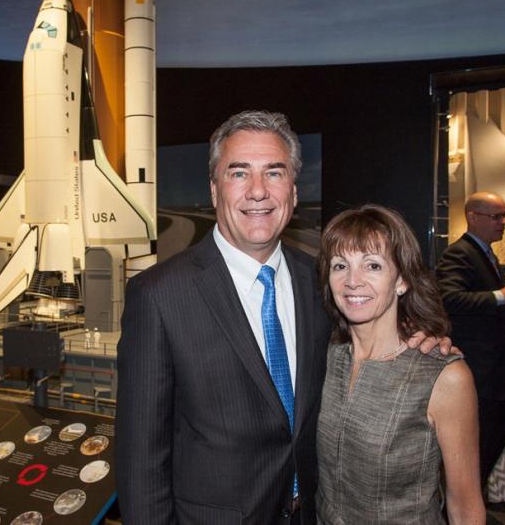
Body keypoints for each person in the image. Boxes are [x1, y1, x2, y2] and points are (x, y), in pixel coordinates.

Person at [116, 110, 451, 524]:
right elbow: (140, 460)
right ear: (215, 189)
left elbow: (371, 339)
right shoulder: (159, 295)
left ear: (293, 192)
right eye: (239, 173)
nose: (258, 191)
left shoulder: (323, 283)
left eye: (274, 173)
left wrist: (419, 343)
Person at [316, 205, 484, 524]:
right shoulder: (328, 357)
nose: (353, 281)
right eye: (340, 265)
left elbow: (465, 506)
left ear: (402, 280)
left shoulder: (443, 376)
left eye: (373, 266)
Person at [435, 191, 505, 487]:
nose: (504, 222)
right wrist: (500, 296)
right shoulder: (460, 253)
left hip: (497, 376)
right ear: (472, 217)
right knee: (474, 455)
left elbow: (482, 315)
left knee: (489, 449)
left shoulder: (485, 254)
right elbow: (448, 298)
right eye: (496, 216)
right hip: (479, 376)